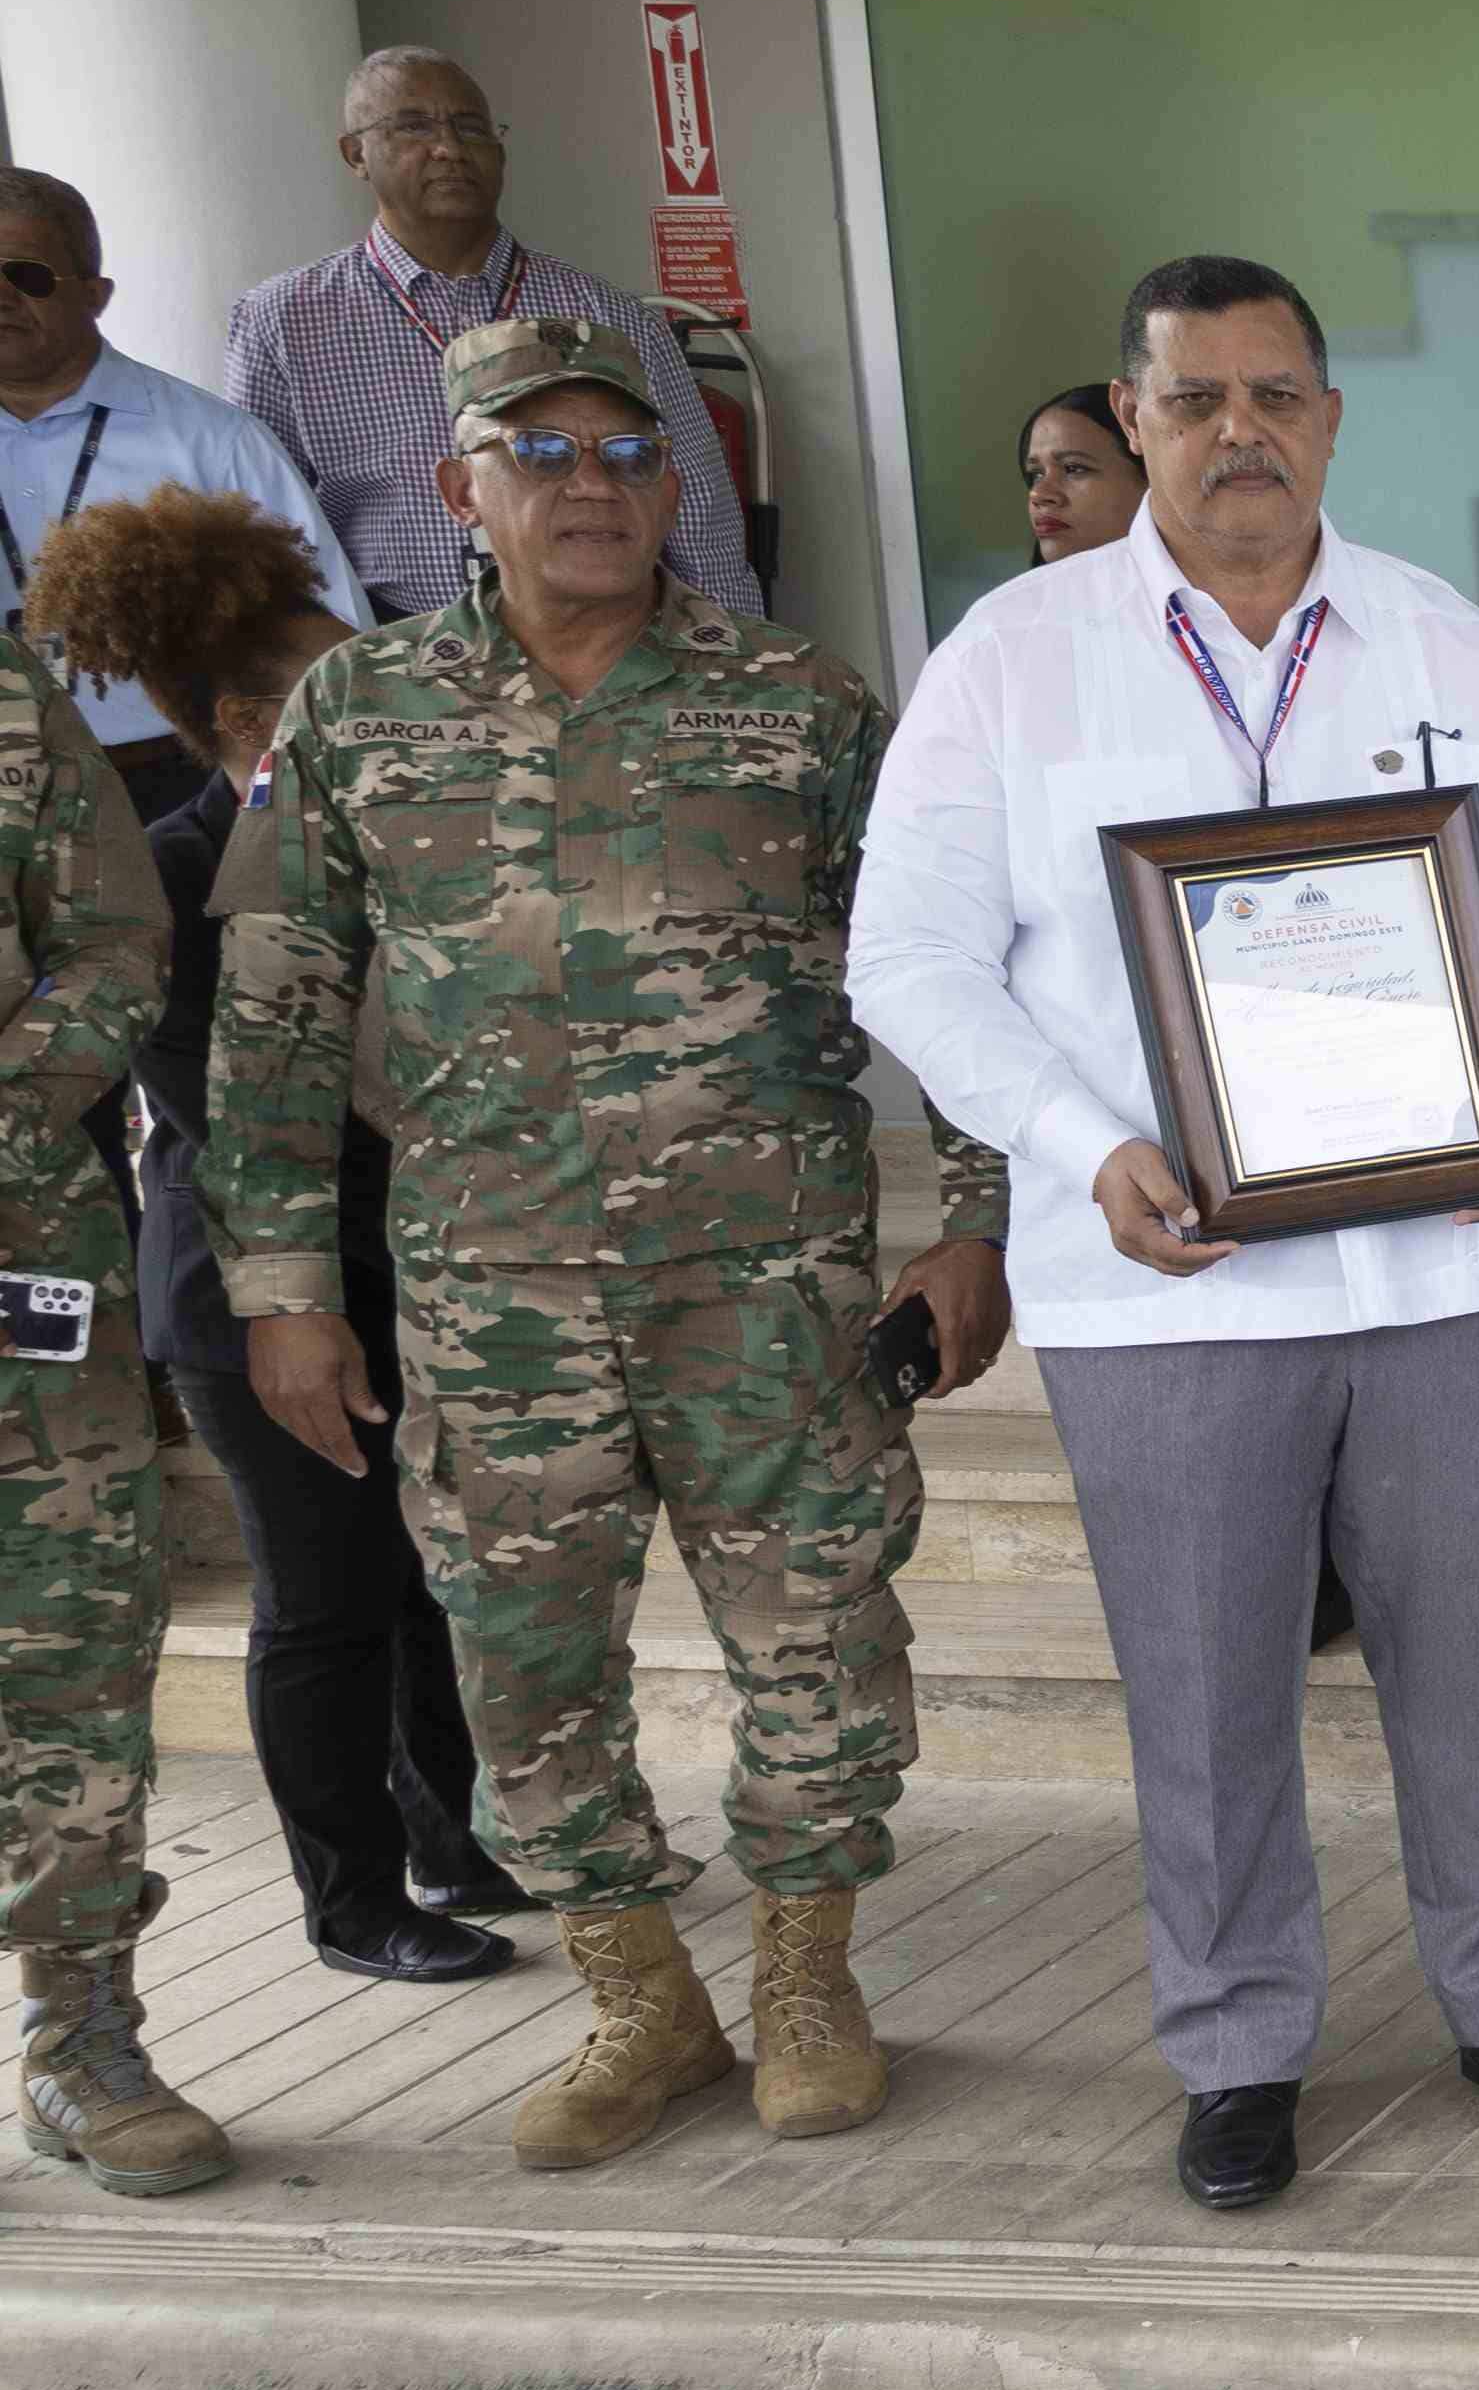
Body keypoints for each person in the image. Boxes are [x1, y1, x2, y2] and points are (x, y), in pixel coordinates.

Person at [847, 255, 1479, 2217]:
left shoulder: (1452, 649)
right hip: (1163, 1284)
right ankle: (1237, 2045)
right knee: (1205, 1694)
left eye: (1276, 394)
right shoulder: (1015, 664)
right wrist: (1080, 1137)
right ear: (1130, 421)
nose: (1240, 431)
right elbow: (910, 954)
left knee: (1478, 1665)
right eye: (1196, 397)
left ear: (1330, 419)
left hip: (1456, 1269)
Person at [213, 313, 1010, 2168]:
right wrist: (280, 1292)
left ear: (683, 485)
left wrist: (973, 1222)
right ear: (459, 489)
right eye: (544, 453)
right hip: (493, 1295)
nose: (593, 487)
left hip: (772, 1288)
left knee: (816, 1640)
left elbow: (950, 969)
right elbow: (272, 1007)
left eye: (631, 455)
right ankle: (641, 1998)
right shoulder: (358, 717)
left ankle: (810, 1974)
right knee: (518, 1662)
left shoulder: (802, 708)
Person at [21, 490, 524, 1983]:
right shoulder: (176, 873)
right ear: (249, 717)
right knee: (324, 1600)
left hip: (411, 1258)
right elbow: (241, 1107)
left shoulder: (396, 844)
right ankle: (352, 1898)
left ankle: (459, 1838)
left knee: (432, 1578)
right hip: (249, 1295)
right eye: (332, 685)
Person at [0, 614, 195, 2189]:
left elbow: (116, 941)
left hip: (17, 1256)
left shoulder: (10, 701)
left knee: (67, 1640)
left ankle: (83, 2032)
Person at [224, 49, 751, 616]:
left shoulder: (608, 314)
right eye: (413, 126)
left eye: (470, 127)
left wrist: (734, 650)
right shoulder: (284, 319)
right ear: (356, 153)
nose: (449, 148)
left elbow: (698, 506)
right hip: (397, 657)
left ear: (499, 152)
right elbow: (263, 533)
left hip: (603, 650)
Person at [0, 168, 369, 818]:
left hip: (170, 785)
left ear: (95, 293)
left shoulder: (213, 441)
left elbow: (332, 641)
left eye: (25, 274)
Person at [1020, 385, 1148, 565]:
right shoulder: (1017, 593)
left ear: (1152, 478)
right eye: (1037, 474)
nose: (1038, 495)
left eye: (1073, 468)